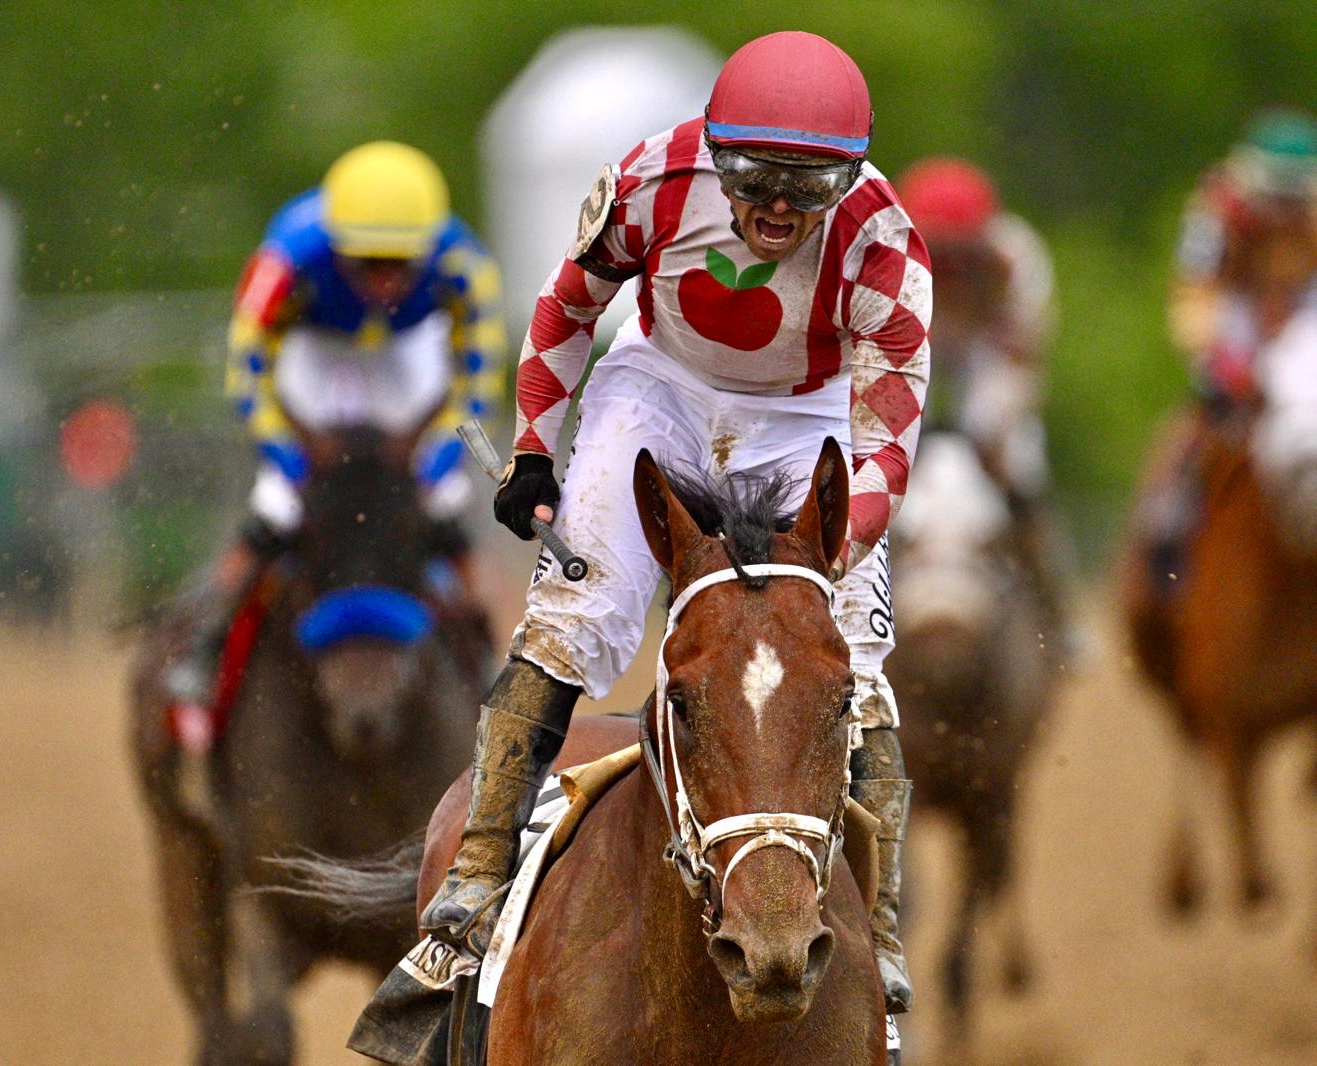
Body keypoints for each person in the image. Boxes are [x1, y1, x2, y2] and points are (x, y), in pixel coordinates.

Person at [421, 31, 931, 1016]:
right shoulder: (652, 178)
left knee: (855, 652)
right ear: (714, 150)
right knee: (576, 612)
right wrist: (532, 447)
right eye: (755, 177)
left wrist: (825, 565)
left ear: (848, 177)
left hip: (809, 415)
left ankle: (888, 919)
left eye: (807, 186)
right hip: (658, 388)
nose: (779, 206)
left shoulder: (885, 241)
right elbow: (570, 306)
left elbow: (887, 442)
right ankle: (479, 867)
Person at [163, 140, 505, 756]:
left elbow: (476, 379)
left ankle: (490, 659)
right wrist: (290, 459)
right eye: (366, 262)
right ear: (335, 243)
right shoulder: (287, 257)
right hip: (314, 357)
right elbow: (246, 370)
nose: (384, 280)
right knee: (279, 506)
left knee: (444, 508)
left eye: (400, 263)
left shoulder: (467, 266)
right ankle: (204, 644)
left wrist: (437, 461)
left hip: (409, 359)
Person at [895, 157, 1072, 650]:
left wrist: (994, 433)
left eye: (959, 250)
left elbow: (1019, 359)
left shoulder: (1018, 260)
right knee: (877, 456)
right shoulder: (885, 248)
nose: (948, 263)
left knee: (1019, 464)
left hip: (985, 347)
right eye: (938, 247)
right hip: (915, 340)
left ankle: (1054, 610)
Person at [1147, 108, 1317, 589]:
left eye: (1293, 196)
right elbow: (1195, 293)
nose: (1283, 209)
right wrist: (1223, 360)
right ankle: (1170, 525)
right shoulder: (1215, 212)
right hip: (1236, 306)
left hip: (1305, 305)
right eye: (1274, 195)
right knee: (1203, 425)